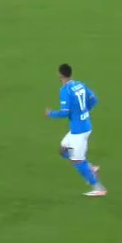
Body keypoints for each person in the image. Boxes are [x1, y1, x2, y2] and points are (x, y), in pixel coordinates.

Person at [46, 64, 105, 196]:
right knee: (63, 150)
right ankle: (90, 167)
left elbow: (65, 112)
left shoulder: (65, 90)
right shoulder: (80, 84)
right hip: (83, 126)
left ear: (60, 75)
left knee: (76, 161)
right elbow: (94, 99)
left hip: (79, 131)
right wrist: (85, 111)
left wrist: (50, 114)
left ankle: (99, 188)